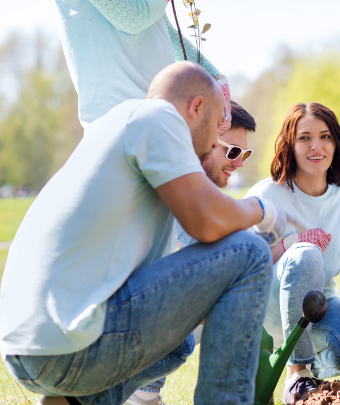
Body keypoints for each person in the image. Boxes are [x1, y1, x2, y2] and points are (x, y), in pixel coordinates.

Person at [0, 62, 297, 405]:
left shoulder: (116, 128)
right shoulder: (158, 118)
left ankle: (67, 402)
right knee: (248, 252)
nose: (215, 140)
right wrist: (261, 210)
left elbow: (176, 294)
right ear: (196, 107)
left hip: (30, 345)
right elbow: (206, 221)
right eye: (217, 124)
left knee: (179, 344)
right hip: (68, 343)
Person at [244, 103, 340, 404]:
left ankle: (309, 372)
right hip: (265, 309)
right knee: (305, 254)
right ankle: (297, 372)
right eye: (304, 138)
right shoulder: (265, 195)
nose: (316, 146)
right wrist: (294, 241)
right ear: (289, 145)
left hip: (319, 303)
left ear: (336, 143)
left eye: (325, 136)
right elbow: (243, 267)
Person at [125, 100, 257, 405]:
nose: (239, 163)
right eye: (233, 152)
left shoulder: (184, 189)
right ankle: (134, 394)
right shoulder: (173, 191)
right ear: (205, 137)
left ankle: (141, 392)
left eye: (245, 154)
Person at [49, 0, 232, 131]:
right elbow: (129, 17)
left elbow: (161, 28)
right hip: (119, 116)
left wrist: (213, 76)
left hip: (161, 113)